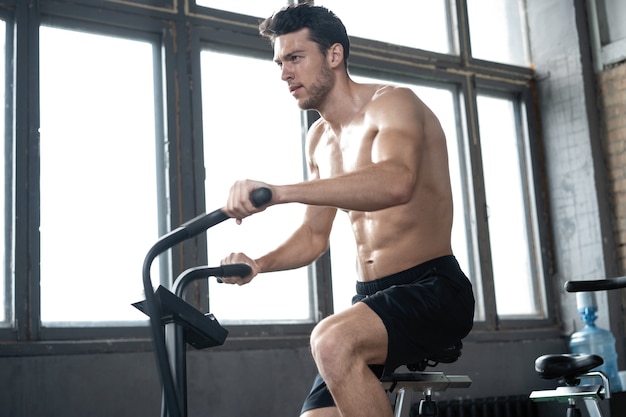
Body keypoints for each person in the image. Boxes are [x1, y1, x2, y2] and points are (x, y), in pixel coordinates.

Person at [220, 4, 475, 417]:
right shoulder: (318, 139)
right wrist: (258, 264)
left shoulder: (392, 104)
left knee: (330, 339)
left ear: (334, 55)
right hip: (370, 300)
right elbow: (313, 237)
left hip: (433, 290)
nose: (285, 73)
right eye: (280, 62)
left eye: (296, 58)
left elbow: (396, 181)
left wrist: (280, 192)